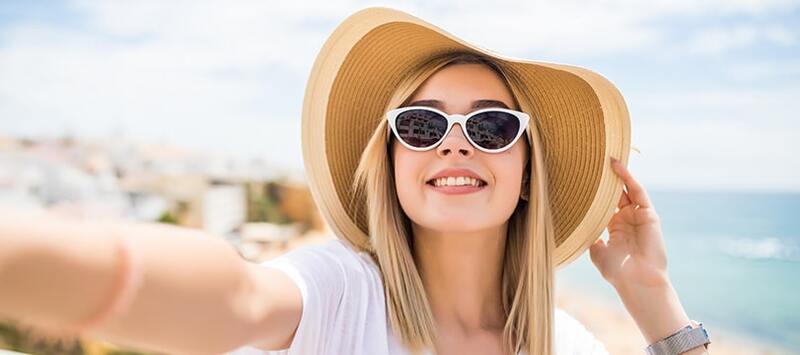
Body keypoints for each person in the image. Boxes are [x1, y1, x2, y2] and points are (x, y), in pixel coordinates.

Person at [0, 7, 710, 355]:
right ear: (393, 164)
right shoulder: (340, 296)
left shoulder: (570, 343)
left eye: (492, 127)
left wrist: (652, 299)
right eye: (422, 127)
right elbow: (237, 293)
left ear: (526, 172)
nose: (456, 143)